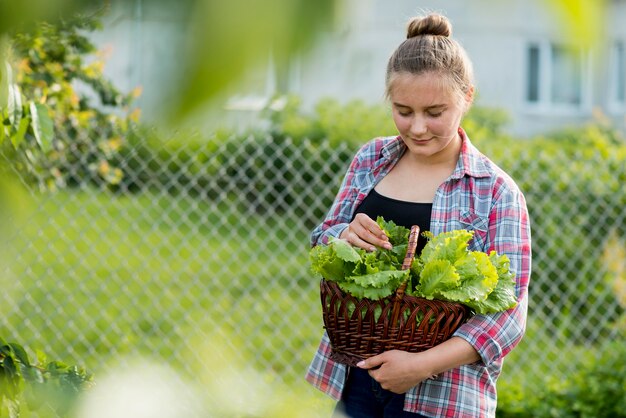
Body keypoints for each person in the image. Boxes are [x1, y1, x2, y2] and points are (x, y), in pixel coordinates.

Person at [304, 12, 532, 418]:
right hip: (354, 378)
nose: (418, 127)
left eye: (435, 111)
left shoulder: (496, 192)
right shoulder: (371, 159)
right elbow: (322, 237)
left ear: (468, 98)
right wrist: (343, 237)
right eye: (403, 110)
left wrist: (418, 367)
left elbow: (507, 319)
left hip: (443, 395)